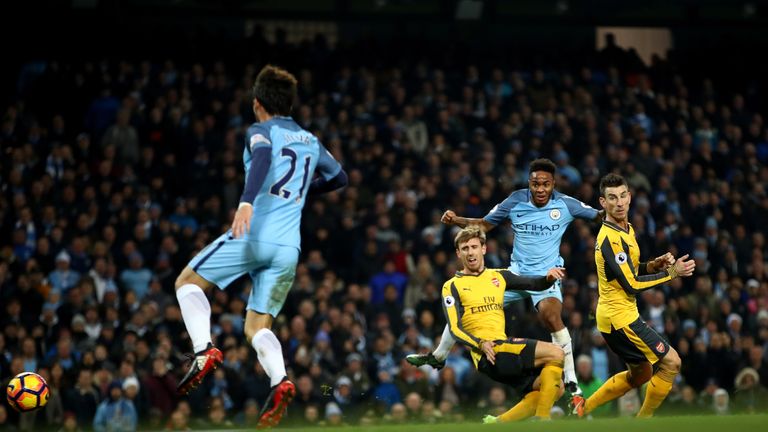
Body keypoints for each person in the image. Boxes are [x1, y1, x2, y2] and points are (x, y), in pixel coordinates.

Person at [173, 64, 347, 429]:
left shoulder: (260, 131)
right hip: (289, 248)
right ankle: (279, 380)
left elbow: (264, 157)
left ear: (257, 104)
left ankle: (204, 349)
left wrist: (247, 201)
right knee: (255, 328)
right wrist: (301, 194)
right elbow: (339, 177)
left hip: (255, 233)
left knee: (187, 282)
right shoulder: (311, 140)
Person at [408, 158, 602, 407]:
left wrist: (617, 211)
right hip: (516, 275)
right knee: (467, 306)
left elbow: (598, 216)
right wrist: (457, 220)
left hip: (546, 275)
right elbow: (484, 225)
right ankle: (438, 356)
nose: (540, 189)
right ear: (529, 184)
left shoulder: (566, 204)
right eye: (535, 184)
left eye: (545, 184)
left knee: (552, 317)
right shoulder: (515, 200)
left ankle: (572, 382)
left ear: (553, 184)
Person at [574, 174, 695, 418]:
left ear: (629, 197)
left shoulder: (626, 229)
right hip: (620, 318)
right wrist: (672, 273)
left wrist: (654, 265)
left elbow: (629, 269)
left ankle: (581, 409)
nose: (618, 202)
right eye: (612, 198)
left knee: (641, 374)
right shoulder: (609, 238)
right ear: (602, 202)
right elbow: (631, 285)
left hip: (617, 315)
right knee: (672, 363)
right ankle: (643, 422)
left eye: (622, 196)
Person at [440, 226, 567, 422]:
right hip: (488, 352)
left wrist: (548, 278)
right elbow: (455, 328)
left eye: (474, 246)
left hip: (503, 349)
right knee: (557, 353)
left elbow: (533, 284)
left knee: (555, 388)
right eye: (465, 248)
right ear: (458, 253)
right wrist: (480, 343)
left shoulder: (499, 276)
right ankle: (543, 420)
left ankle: (497, 423)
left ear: (484, 249)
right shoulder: (452, 286)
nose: (470, 252)